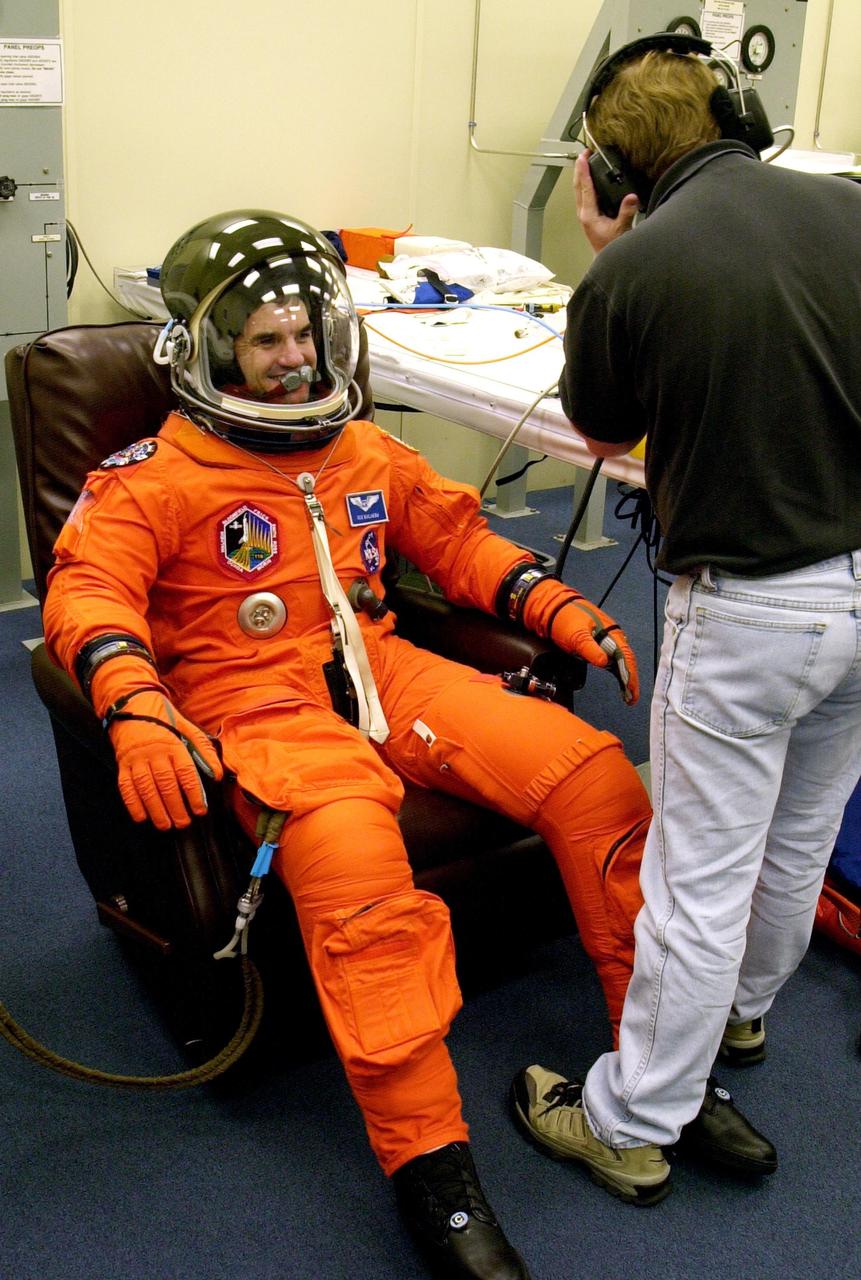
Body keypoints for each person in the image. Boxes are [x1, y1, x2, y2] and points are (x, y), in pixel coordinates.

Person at [43, 209, 658, 1280]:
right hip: (251, 701)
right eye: (267, 339)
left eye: (307, 335)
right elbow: (86, 590)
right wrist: (135, 703)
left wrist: (557, 603)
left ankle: (656, 1070)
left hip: (383, 671)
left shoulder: (362, 447)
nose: (296, 361)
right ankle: (435, 1169)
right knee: (360, 873)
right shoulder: (152, 478)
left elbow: (453, 538)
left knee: (595, 775)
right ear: (205, 345)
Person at [511, 36, 861, 1208]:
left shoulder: (634, 263)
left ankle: (631, 1117)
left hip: (758, 603)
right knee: (797, 837)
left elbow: (600, 424)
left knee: (697, 874)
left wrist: (613, 257)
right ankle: (742, 1022)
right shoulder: (850, 205)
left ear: (613, 173)